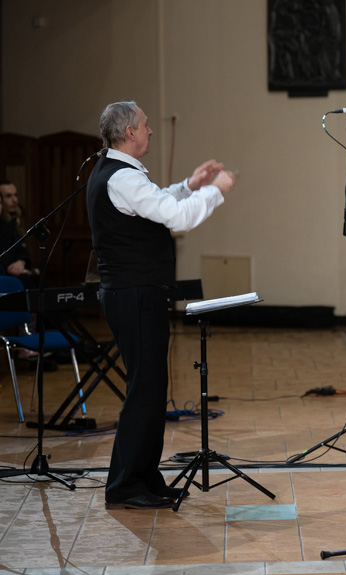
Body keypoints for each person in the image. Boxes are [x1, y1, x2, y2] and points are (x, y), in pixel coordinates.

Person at [88, 101, 236, 510]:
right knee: (144, 391)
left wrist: (189, 185)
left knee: (152, 390)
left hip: (136, 293)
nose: (151, 131)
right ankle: (125, 486)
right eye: (146, 126)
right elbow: (175, 218)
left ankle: (144, 478)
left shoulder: (121, 175)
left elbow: (154, 204)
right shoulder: (122, 178)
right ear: (130, 132)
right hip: (133, 294)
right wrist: (214, 192)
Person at [0, 180, 40, 287]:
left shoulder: (15, 222)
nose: (14, 200)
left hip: (17, 269)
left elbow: (21, 250)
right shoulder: (5, 225)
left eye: (15, 195)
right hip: (7, 271)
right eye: (8, 196)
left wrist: (22, 262)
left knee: (36, 278)